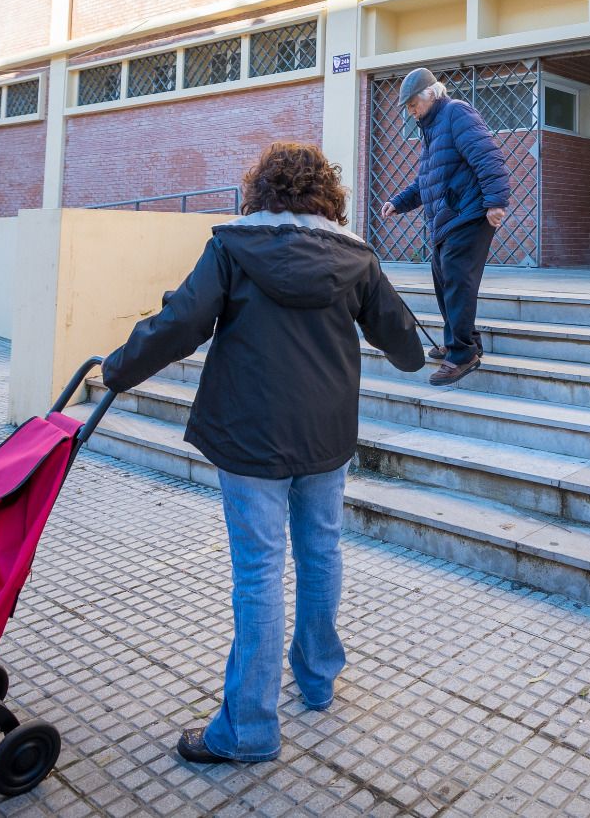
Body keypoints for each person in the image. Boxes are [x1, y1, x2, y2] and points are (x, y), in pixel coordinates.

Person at [98, 143, 425, 764]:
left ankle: (248, 728)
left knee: (259, 572)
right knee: (321, 549)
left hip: (249, 437)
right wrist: (424, 354)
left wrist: (117, 370)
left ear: (261, 192)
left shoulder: (232, 247)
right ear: (327, 196)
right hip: (326, 435)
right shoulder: (356, 257)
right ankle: (319, 677)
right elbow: (403, 340)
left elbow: (178, 324)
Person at [380, 67, 510, 386]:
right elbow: (428, 179)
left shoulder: (456, 113)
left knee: (456, 279)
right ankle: (465, 342)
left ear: (432, 94)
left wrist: (496, 202)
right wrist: (399, 202)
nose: (411, 112)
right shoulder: (433, 128)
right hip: (448, 218)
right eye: (408, 108)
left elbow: (488, 157)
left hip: (469, 213)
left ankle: (462, 354)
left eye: (413, 105)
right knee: (445, 280)